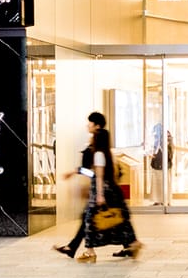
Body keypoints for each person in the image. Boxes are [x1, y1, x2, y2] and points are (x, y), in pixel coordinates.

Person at [56, 112, 142, 262]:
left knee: (90, 219)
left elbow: (97, 173)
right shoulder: (108, 152)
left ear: (97, 128)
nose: (87, 127)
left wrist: (98, 191)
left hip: (102, 191)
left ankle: (88, 251)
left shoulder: (98, 153)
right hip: (111, 190)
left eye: (90, 124)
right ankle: (131, 243)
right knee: (117, 218)